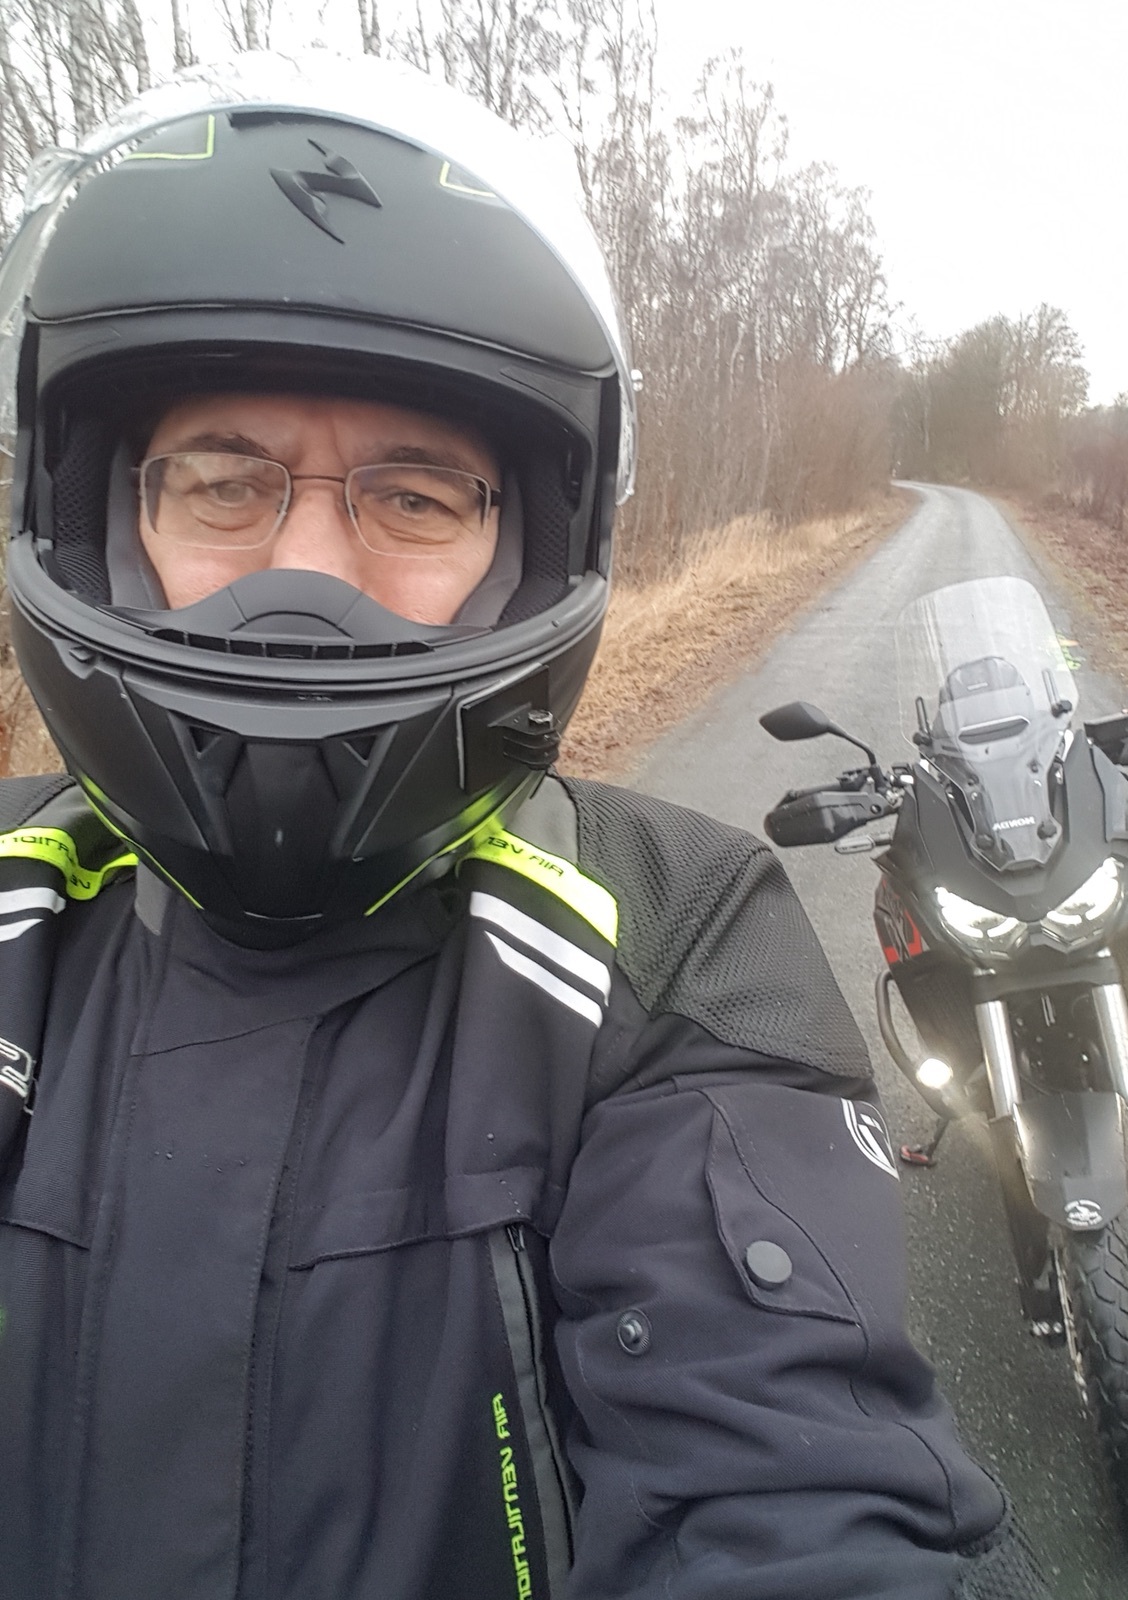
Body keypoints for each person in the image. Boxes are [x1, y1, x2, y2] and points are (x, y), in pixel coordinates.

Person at [0, 55, 1049, 1600]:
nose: (309, 580)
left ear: (528, 553)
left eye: (415, 498)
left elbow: (794, 1473)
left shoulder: (674, 937)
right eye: (222, 484)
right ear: (107, 517)